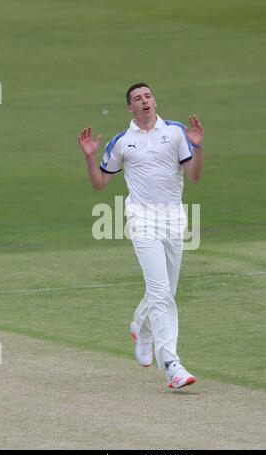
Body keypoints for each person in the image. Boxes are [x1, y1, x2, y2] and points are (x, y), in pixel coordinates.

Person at [78, 83, 204, 389]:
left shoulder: (175, 132)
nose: (144, 101)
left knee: (166, 291)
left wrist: (198, 147)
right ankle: (172, 365)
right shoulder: (122, 142)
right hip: (142, 221)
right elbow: (100, 184)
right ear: (130, 108)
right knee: (161, 292)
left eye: (147, 96)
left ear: (155, 101)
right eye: (137, 98)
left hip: (174, 221)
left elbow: (194, 176)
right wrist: (90, 158)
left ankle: (141, 327)